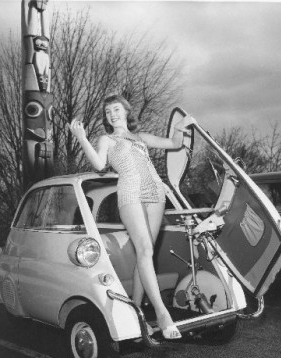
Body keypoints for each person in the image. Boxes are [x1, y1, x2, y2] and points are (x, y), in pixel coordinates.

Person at [68, 94, 195, 339]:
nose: (112, 114)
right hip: (131, 192)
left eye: (116, 109)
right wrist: (82, 138)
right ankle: (161, 313)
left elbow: (174, 144)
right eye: (108, 112)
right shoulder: (107, 138)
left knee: (143, 255)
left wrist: (179, 128)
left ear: (126, 112)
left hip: (156, 191)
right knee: (145, 250)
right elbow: (98, 163)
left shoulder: (141, 137)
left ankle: (136, 309)